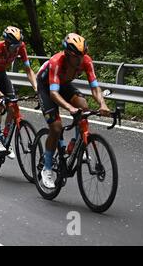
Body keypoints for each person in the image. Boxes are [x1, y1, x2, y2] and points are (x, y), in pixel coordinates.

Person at [36, 33, 110, 188]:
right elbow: (54, 94)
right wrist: (70, 108)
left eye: (83, 56)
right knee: (56, 128)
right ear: (68, 54)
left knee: (83, 105)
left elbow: (95, 87)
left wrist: (102, 104)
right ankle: (47, 169)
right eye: (77, 57)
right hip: (47, 87)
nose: (80, 60)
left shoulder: (86, 61)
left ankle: (77, 145)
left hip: (63, 84)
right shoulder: (57, 61)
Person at [0, 26, 37, 157]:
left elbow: (28, 70)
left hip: (1, 73)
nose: (17, 49)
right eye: (14, 46)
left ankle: (5, 137)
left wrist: (36, 88)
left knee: (13, 106)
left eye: (18, 45)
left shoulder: (21, 47)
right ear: (7, 43)